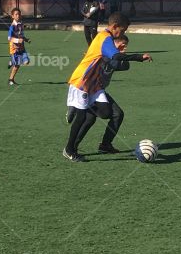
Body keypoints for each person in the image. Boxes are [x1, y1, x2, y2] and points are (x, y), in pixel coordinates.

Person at [63, 12, 152, 161]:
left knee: (105, 112)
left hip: (94, 86)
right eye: (122, 31)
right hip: (82, 81)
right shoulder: (105, 38)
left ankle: (88, 117)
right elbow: (116, 57)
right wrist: (139, 57)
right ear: (115, 26)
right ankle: (69, 149)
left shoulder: (105, 37)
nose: (122, 34)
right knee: (83, 117)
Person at [7, 8, 30, 87]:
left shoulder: (20, 24)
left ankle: (12, 62)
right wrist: (17, 40)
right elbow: (9, 38)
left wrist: (26, 39)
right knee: (17, 65)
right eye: (16, 14)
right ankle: (11, 80)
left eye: (19, 14)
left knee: (26, 62)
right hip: (14, 49)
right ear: (12, 16)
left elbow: (21, 35)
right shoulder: (12, 26)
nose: (18, 16)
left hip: (22, 47)